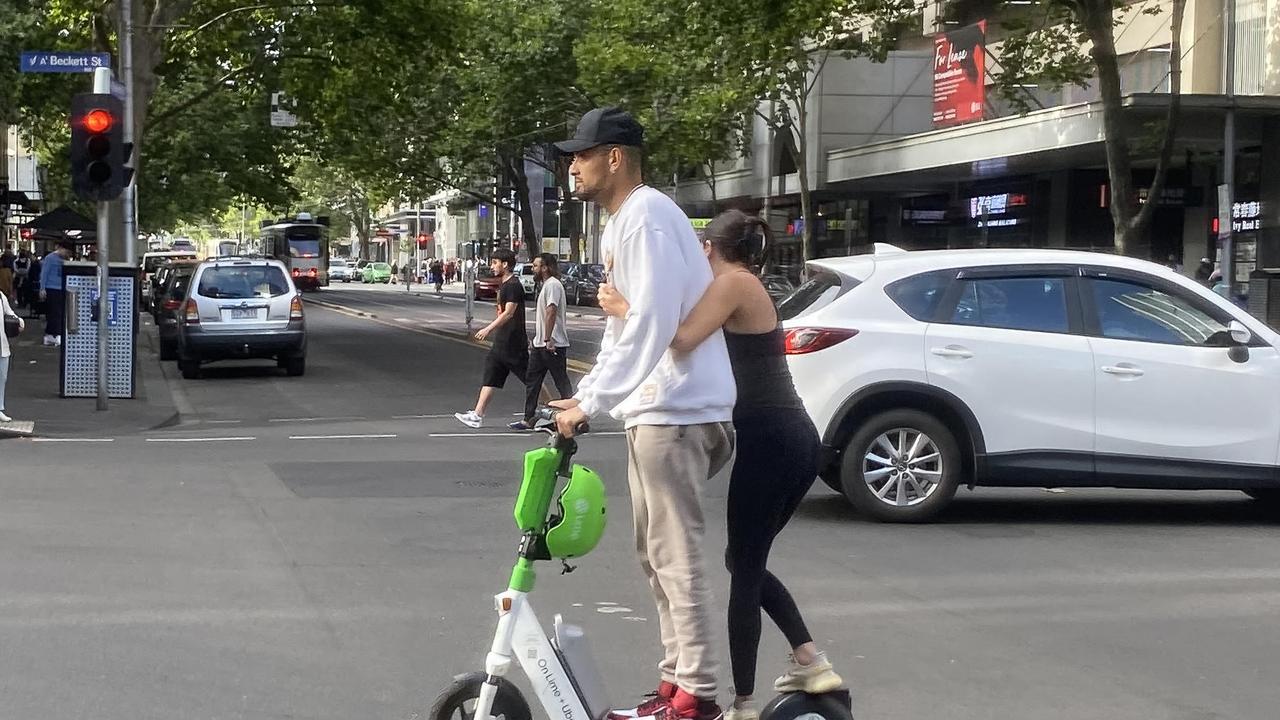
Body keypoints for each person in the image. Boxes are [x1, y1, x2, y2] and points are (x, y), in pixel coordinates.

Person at [597, 210, 845, 720]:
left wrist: (624, 306)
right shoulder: (741, 283)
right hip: (780, 438)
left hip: (773, 439)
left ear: (709, 249)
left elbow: (681, 337)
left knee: (745, 569)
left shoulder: (734, 283)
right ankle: (808, 659)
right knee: (742, 561)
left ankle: (744, 703)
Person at [549, 107, 736, 720]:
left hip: (677, 412)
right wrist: (587, 395)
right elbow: (618, 331)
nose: (571, 166)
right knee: (653, 556)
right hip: (654, 410)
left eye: (580, 154)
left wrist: (594, 402)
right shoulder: (625, 222)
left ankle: (697, 696)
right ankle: (674, 686)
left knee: (676, 557)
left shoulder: (648, 216)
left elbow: (651, 320)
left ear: (615, 157)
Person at [454, 248, 528, 428]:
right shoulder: (505, 284)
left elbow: (509, 313)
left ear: (505, 264)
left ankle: (552, 409)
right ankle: (477, 415)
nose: (492, 266)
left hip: (513, 342)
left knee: (530, 379)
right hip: (502, 341)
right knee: (491, 375)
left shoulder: (513, 285)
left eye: (495, 263)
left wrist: (488, 329)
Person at [510, 253, 574, 431]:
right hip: (541, 344)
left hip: (553, 343)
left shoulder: (553, 285)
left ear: (545, 268)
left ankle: (575, 415)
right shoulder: (546, 285)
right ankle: (528, 418)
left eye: (536, 265)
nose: (533, 269)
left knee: (561, 381)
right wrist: (538, 338)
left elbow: (551, 311)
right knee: (532, 381)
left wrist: (547, 338)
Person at [39, 242, 72, 347]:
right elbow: (44, 273)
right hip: (52, 288)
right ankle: (55, 334)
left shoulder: (65, 260)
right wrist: (42, 288)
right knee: (55, 312)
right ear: (61, 248)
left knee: (59, 312)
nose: (67, 254)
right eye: (66, 251)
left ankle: (50, 335)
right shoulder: (50, 258)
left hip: (61, 288)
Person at [0, 289, 24, 423]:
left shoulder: (0, 296)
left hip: (2, 344)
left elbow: (9, 313)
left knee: (2, 377)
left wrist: (19, 322)